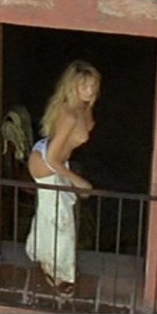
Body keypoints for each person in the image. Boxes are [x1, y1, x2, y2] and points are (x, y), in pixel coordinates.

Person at [25, 60, 100, 295]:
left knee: (53, 213)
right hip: (47, 163)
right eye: (84, 86)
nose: (90, 91)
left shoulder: (84, 108)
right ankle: (58, 273)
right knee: (61, 222)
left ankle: (39, 252)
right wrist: (78, 180)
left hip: (56, 158)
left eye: (93, 86)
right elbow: (53, 158)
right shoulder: (68, 115)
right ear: (72, 87)